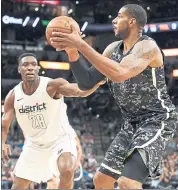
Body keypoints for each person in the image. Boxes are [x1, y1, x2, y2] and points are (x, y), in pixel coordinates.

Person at [50, 4, 178, 189]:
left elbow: (120, 72)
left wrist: (81, 44)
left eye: (119, 16)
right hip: (130, 124)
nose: (114, 20)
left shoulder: (147, 46)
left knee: (127, 182)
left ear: (132, 21)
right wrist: (72, 52)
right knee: (101, 180)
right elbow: (86, 82)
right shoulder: (112, 50)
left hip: (156, 120)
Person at [2, 53, 104, 189]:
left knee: (67, 168)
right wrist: (2, 143)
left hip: (59, 139)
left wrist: (96, 81)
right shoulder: (13, 96)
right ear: (19, 69)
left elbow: (79, 91)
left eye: (33, 64)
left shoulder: (52, 86)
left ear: (38, 68)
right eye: (25, 65)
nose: (30, 68)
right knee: (18, 186)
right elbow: (4, 125)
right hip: (34, 144)